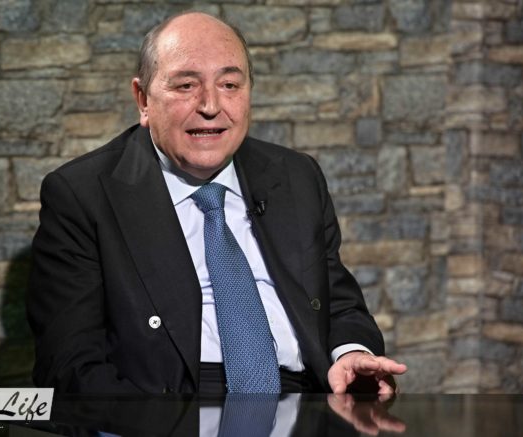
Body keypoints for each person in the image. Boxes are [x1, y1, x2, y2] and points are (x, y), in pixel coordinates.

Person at [26, 11, 406, 395]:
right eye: (186, 85)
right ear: (143, 100)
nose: (210, 105)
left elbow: (337, 303)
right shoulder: (83, 195)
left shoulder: (296, 177)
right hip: (169, 404)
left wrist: (350, 353)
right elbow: (69, 366)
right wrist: (158, 422)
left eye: (229, 85)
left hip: (305, 398)